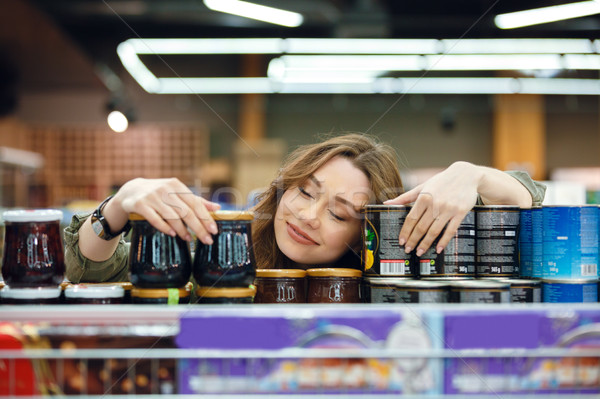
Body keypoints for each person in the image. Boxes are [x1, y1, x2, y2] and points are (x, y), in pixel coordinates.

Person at [64, 133, 545, 282]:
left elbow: (529, 200)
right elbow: (86, 269)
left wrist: (475, 175)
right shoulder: (222, 248)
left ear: (366, 236)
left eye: (340, 215)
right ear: (282, 189)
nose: (308, 217)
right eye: (305, 192)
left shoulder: (386, 284)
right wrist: (120, 206)